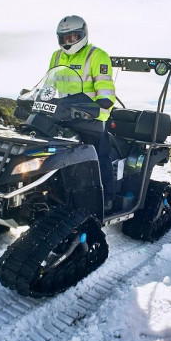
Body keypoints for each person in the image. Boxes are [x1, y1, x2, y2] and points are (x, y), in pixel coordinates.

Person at [49, 15, 116, 211]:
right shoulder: (56, 56)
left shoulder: (96, 55)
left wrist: (101, 104)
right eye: (64, 38)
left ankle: (107, 198)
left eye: (73, 36)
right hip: (62, 115)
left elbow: (105, 87)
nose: (68, 41)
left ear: (83, 35)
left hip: (90, 117)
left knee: (99, 156)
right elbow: (49, 83)